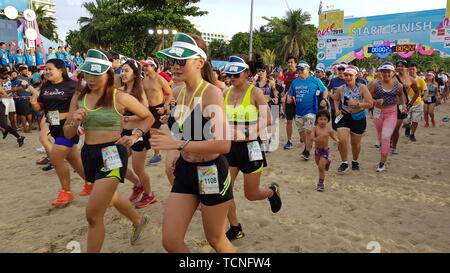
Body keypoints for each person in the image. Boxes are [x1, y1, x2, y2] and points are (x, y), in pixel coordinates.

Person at [64, 49, 153, 252]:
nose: (91, 79)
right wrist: (74, 121)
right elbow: (68, 134)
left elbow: (148, 116)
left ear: (108, 74)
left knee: (93, 215)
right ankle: (138, 220)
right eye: (88, 74)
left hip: (112, 153)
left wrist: (135, 136)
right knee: (109, 197)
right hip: (89, 153)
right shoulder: (79, 97)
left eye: (97, 75)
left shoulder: (119, 97)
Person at [152, 33, 235, 253]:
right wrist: (176, 150)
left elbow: (224, 145)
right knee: (170, 241)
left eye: (181, 61)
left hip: (211, 172)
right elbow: (181, 130)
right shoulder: (178, 91)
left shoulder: (212, 94)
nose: (175, 67)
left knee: (216, 240)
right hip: (186, 170)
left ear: (199, 62)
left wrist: (178, 146)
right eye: (172, 61)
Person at [222, 55, 282, 241]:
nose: (232, 78)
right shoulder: (225, 93)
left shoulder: (254, 92)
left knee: (251, 194)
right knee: (224, 191)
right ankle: (235, 227)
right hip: (229, 149)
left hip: (250, 148)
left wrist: (247, 132)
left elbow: (268, 119)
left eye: (236, 74)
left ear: (247, 73)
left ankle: (272, 191)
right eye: (229, 75)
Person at [29, 58, 89, 206]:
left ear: (61, 70)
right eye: (46, 70)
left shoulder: (73, 86)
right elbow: (41, 109)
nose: (47, 72)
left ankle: (66, 191)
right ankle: (91, 183)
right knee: (73, 159)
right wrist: (34, 103)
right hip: (55, 128)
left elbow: (85, 105)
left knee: (56, 158)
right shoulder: (46, 87)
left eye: (50, 69)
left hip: (70, 127)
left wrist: (64, 115)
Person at [119, 59, 156, 208]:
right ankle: (137, 185)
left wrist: (126, 117)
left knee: (138, 168)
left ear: (135, 74)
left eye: (126, 70)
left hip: (138, 134)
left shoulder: (139, 91)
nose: (123, 73)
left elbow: (145, 115)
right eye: (122, 70)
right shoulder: (120, 91)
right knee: (117, 163)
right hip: (125, 133)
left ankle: (149, 195)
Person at [333, 65, 373, 172]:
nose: (348, 77)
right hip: (344, 115)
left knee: (355, 143)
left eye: (350, 75)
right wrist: (337, 109)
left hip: (358, 116)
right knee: (342, 140)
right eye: (346, 75)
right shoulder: (341, 88)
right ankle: (344, 163)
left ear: (355, 76)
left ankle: (355, 161)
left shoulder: (362, 87)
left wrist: (357, 103)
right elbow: (336, 99)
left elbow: (370, 103)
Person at [368, 62, 406, 172]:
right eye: (383, 72)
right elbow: (368, 97)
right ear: (381, 73)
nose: (386, 74)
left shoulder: (398, 85)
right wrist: (375, 101)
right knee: (381, 138)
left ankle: (382, 162)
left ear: (393, 73)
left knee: (385, 136)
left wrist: (403, 106)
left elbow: (401, 95)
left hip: (391, 112)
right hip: (378, 112)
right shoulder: (376, 84)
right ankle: (383, 154)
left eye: (388, 72)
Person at [287, 61, 328, 160]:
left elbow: (325, 90)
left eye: (302, 69)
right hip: (298, 111)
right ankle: (308, 146)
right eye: (299, 69)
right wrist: (289, 97)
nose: (300, 71)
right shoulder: (295, 81)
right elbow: (290, 92)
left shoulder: (315, 80)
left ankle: (306, 151)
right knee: (302, 133)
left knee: (308, 131)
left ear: (308, 70)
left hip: (311, 111)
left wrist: (324, 99)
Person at [141, 57, 173, 164]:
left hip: (159, 108)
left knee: (153, 130)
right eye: (144, 66)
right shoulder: (144, 80)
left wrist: (164, 107)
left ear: (154, 67)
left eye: (147, 66)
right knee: (148, 131)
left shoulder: (160, 79)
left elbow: (170, 93)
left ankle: (157, 154)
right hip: (148, 109)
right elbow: (142, 96)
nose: (145, 68)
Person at [390, 60, 420, 154]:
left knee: (396, 128)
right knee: (390, 127)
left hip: (402, 107)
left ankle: (394, 147)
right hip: (390, 105)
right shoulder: (392, 77)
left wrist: (410, 104)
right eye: (398, 66)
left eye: (402, 66)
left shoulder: (411, 79)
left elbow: (417, 92)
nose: (399, 67)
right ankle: (390, 142)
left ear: (406, 67)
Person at [311, 109, 339, 191]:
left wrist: (338, 141)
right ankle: (328, 162)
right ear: (317, 120)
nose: (322, 121)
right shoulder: (315, 129)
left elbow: (334, 137)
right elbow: (311, 137)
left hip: (325, 151)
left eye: (325, 119)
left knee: (320, 167)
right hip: (317, 150)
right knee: (318, 165)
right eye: (320, 119)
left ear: (328, 120)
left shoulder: (329, 130)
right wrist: (315, 139)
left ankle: (321, 183)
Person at [0, 68, 25, 147]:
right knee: (3, 124)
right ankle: (5, 131)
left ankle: (19, 137)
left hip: (1, 105)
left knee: (4, 124)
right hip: (3, 102)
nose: (6, 75)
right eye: (4, 73)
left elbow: (4, 94)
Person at [404, 63, 426, 142]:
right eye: (410, 69)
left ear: (417, 70)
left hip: (418, 103)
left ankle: (412, 134)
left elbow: (425, 90)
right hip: (406, 103)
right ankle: (407, 127)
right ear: (407, 70)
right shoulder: (404, 79)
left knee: (415, 120)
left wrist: (424, 97)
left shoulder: (420, 80)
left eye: (413, 69)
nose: (411, 71)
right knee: (405, 120)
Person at [283, 57, 299, 150]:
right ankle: (289, 141)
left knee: (300, 121)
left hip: (299, 101)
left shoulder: (299, 73)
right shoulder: (286, 74)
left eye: (291, 62)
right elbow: (285, 88)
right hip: (289, 101)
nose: (290, 64)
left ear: (295, 63)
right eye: (288, 62)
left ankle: (302, 137)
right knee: (289, 121)